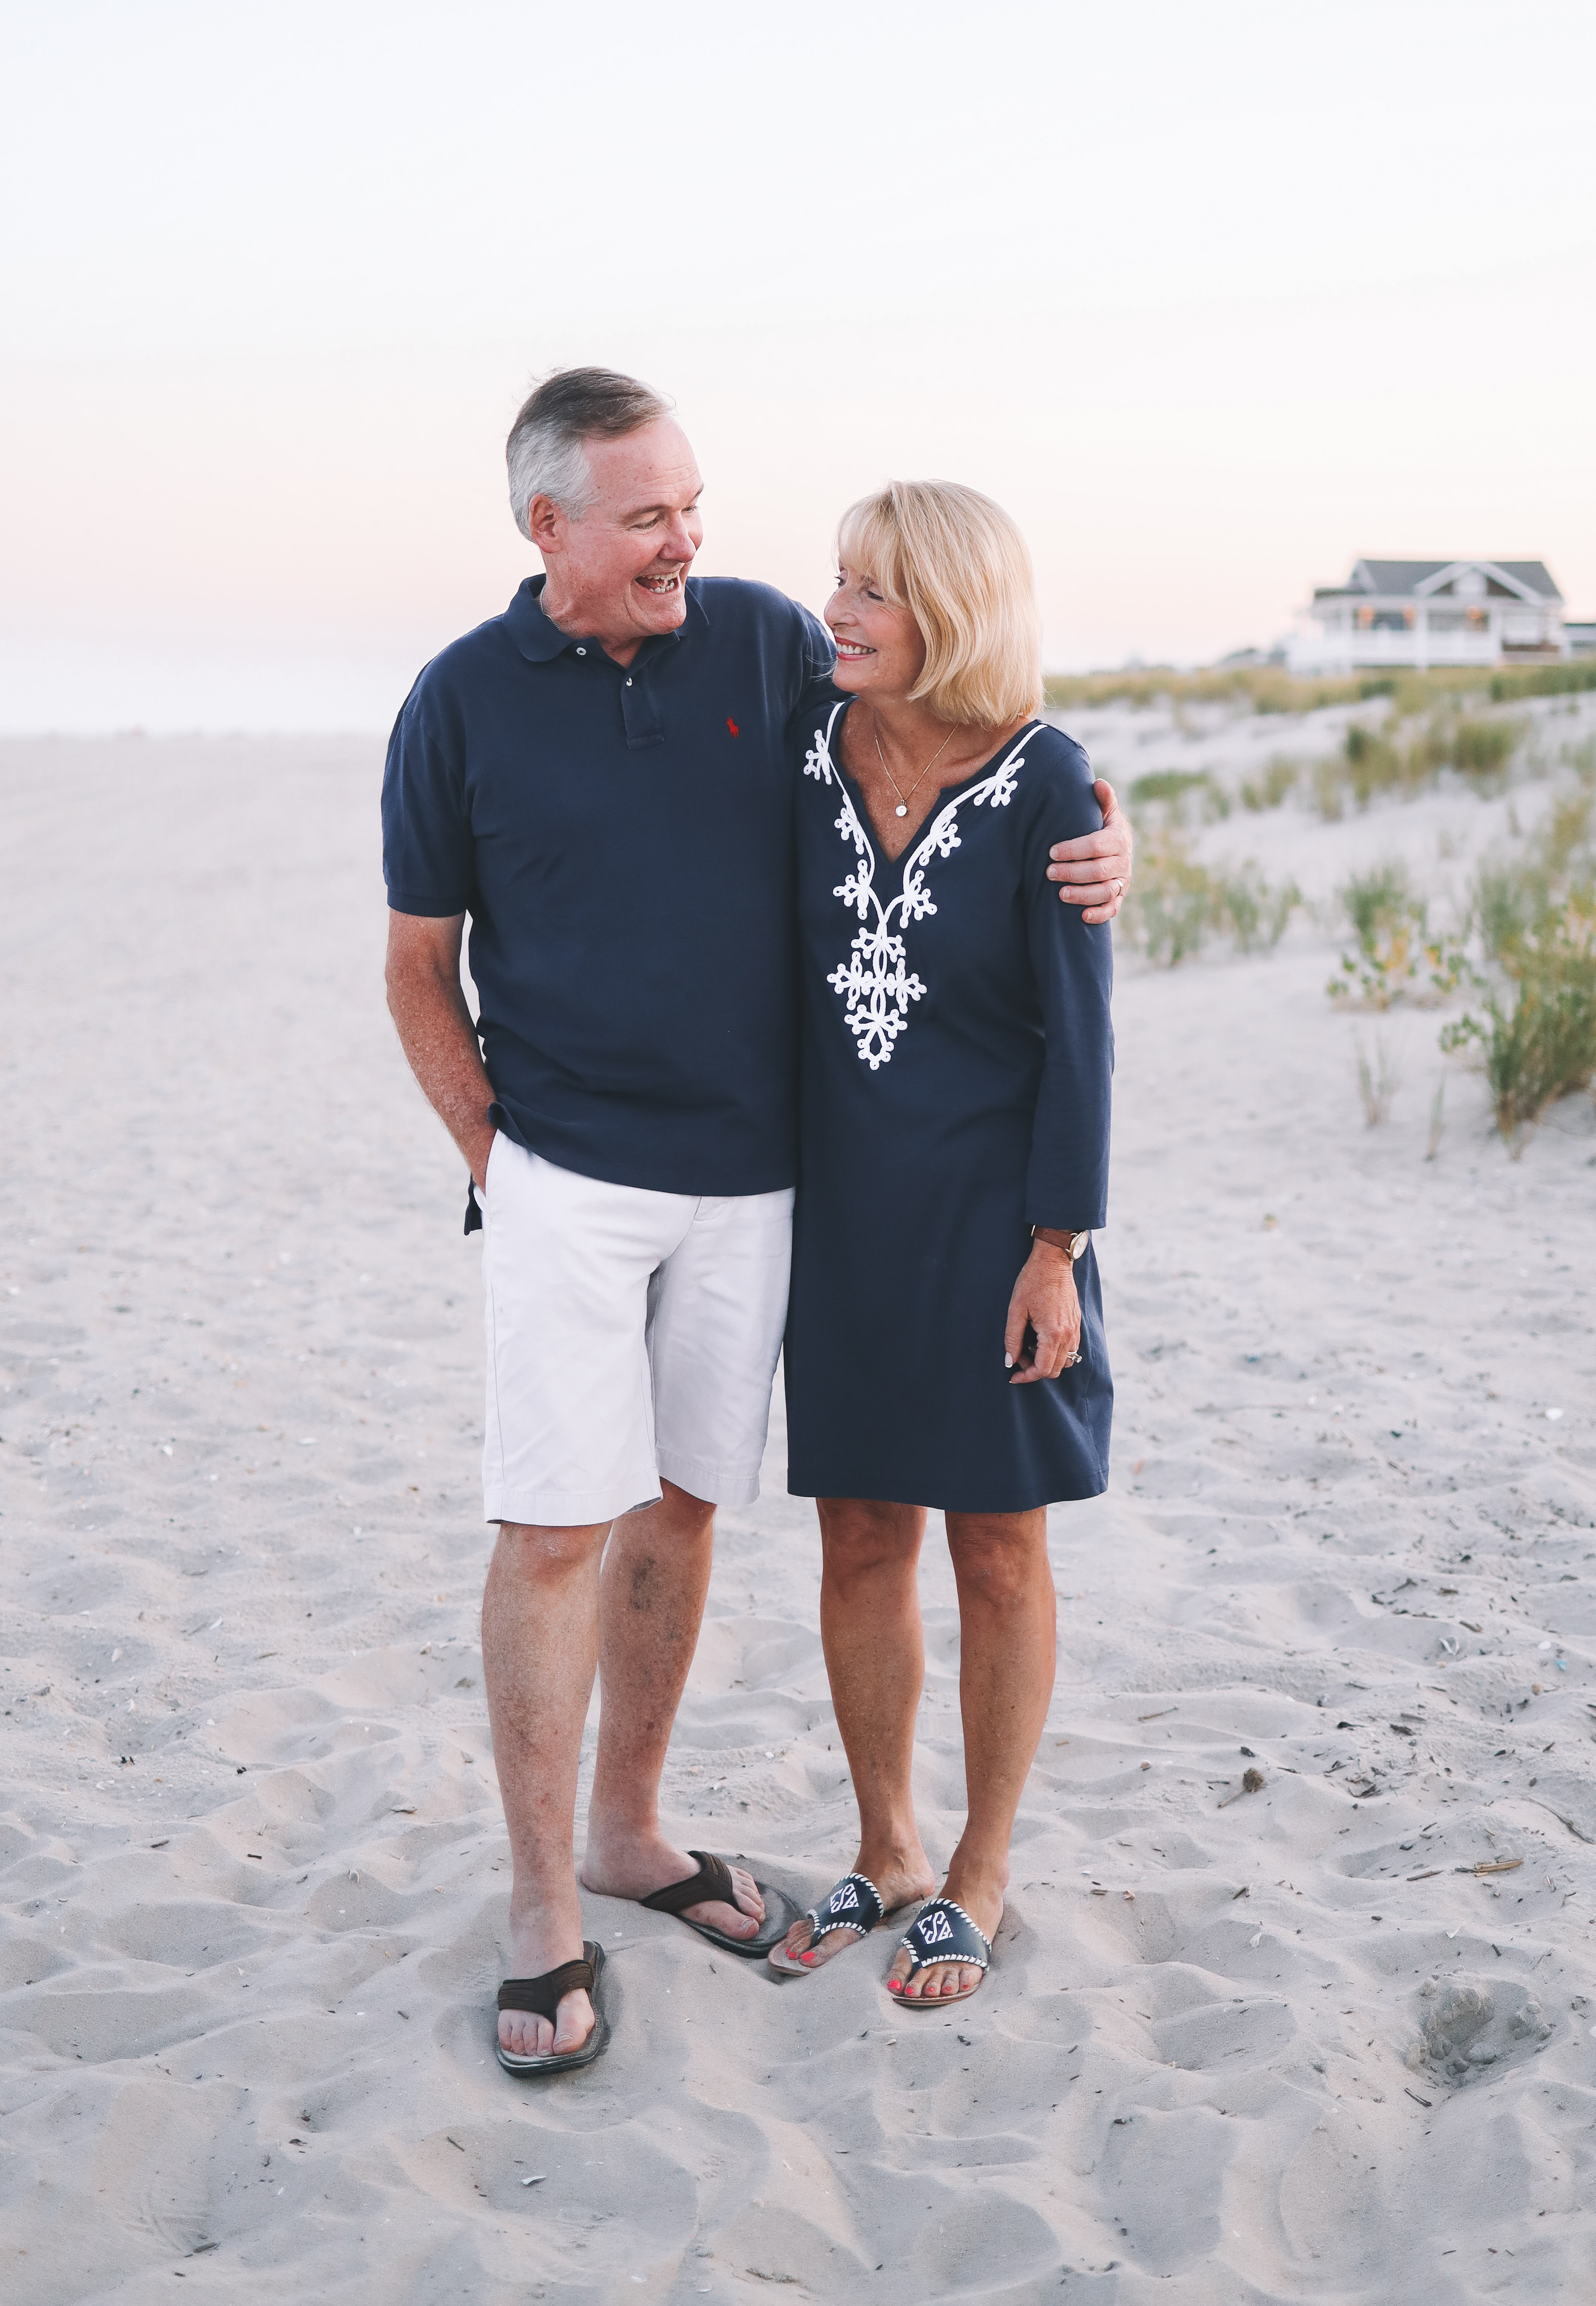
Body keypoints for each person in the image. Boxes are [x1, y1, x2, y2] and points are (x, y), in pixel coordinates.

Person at [381, 374, 1132, 2072]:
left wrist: (1106, 845)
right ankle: (579, 1897)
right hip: (647, 1190)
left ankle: (736, 1845)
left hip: (835, 1205)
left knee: (737, 1518)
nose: (691, 545)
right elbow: (416, 963)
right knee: (596, 1528)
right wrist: (505, 1163)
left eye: (691, 509)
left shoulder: (789, 657)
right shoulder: (487, 704)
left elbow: (1012, 798)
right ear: (548, 526)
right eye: (648, 517)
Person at [774, 480, 1112, 2006]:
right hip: (838, 1213)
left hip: (996, 1223)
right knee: (859, 1535)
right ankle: (887, 1844)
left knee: (997, 1544)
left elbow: (1080, 1040)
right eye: (837, 580)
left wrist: (1059, 1247)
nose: (836, 610)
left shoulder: (1049, 782)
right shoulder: (803, 741)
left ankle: (981, 1864)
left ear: (953, 614)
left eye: (874, 590)